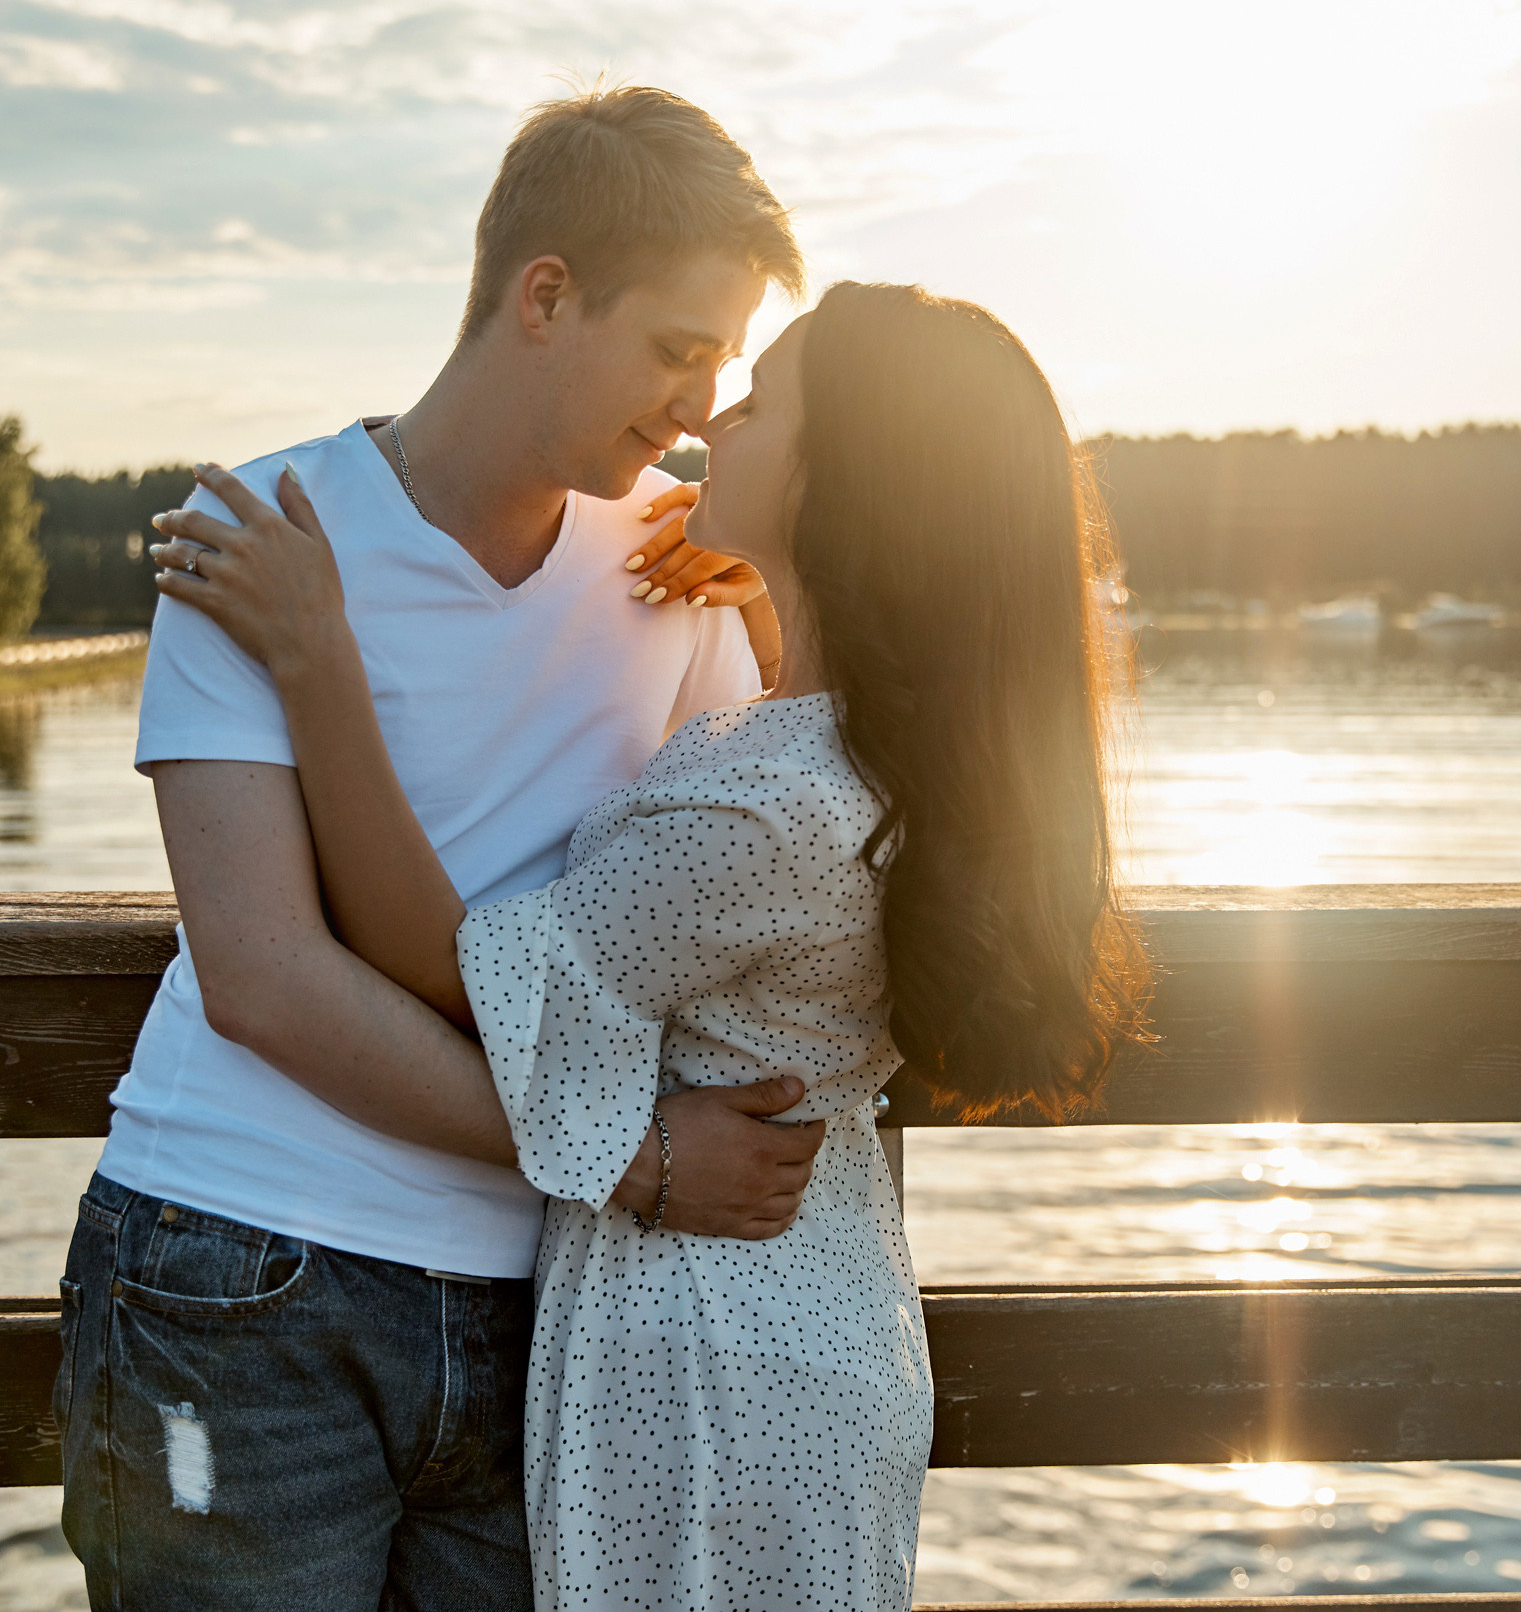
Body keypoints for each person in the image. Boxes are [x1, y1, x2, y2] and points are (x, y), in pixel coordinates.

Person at [149, 280, 1154, 1610]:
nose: (711, 422)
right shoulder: (905, 769)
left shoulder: (759, 807)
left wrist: (317, 657)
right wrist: (758, 587)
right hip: (832, 1325)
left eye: (764, 401)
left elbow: (455, 966)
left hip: (710, 1367)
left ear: (839, 480)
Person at [54, 86, 827, 1611]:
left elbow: (749, 894)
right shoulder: (266, 539)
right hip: (239, 1272)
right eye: (679, 349)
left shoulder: (679, 571)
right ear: (545, 295)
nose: (697, 403)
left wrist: (776, 596)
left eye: (727, 367)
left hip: (545, 1314)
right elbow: (265, 978)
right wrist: (629, 1155)